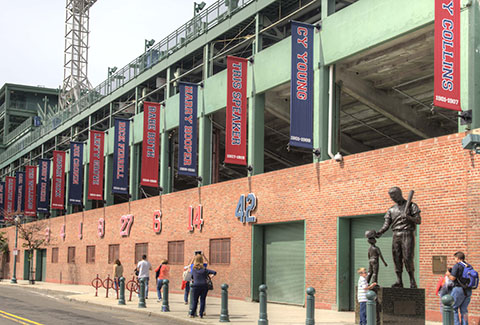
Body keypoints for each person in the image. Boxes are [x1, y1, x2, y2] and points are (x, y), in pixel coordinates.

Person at [376, 187, 421, 288]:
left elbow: (418, 220)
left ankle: (412, 281)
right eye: (391, 197)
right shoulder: (391, 210)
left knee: (407, 258)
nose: (393, 198)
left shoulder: (411, 206)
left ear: (399, 194)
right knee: (397, 258)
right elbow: (386, 224)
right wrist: (379, 232)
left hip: (407, 233)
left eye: (394, 196)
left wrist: (408, 217)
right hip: (396, 235)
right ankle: (399, 281)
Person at [447, 251, 472, 325]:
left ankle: (456, 324)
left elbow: (452, 278)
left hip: (458, 289)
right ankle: (465, 323)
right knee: (464, 310)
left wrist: (448, 274)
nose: (454, 260)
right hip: (468, 289)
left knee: (453, 308)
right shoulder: (469, 266)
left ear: (457, 258)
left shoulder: (457, 266)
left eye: (455, 258)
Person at [189, 255, 216, 319]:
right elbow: (214, 272)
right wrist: (211, 276)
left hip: (196, 285)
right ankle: (201, 314)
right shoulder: (204, 269)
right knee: (202, 300)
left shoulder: (193, 269)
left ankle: (192, 314)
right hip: (204, 286)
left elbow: (192, 277)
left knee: (195, 300)